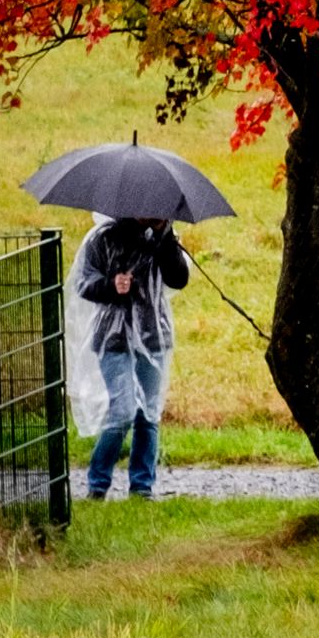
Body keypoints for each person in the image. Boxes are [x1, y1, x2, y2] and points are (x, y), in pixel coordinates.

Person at [74, 212, 192, 498]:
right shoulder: (103, 238)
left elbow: (178, 278)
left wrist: (164, 236)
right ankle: (97, 484)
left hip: (153, 334)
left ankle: (142, 487)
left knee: (148, 414)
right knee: (122, 412)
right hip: (114, 338)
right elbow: (84, 282)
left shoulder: (163, 238)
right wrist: (112, 286)